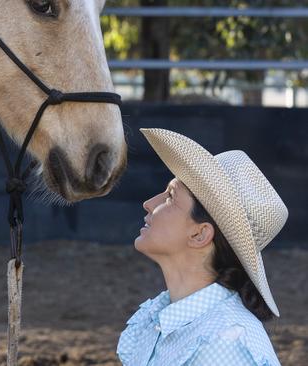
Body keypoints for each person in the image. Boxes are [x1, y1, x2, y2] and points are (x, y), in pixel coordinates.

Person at [117, 128, 287, 366]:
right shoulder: (169, 321)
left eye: (169, 198)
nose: (149, 203)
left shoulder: (224, 344)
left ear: (200, 234)